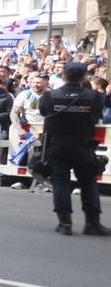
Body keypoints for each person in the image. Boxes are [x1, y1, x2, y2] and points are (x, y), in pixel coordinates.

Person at [39, 62, 107, 236]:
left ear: (64, 75)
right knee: (88, 183)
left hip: (57, 145)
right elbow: (97, 115)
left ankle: (65, 223)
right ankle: (92, 224)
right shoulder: (95, 97)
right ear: (85, 77)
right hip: (82, 145)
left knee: (60, 182)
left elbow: (43, 112)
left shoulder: (50, 96)